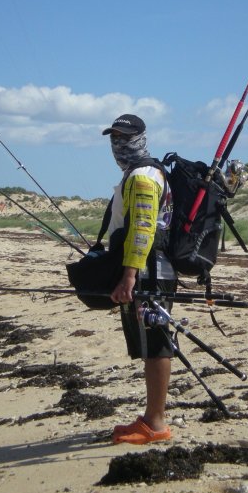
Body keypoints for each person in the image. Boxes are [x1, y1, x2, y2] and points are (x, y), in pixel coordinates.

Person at [102, 113, 177, 445]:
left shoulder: (144, 177)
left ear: (141, 139)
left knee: (156, 343)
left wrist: (129, 275)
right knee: (150, 344)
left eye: (125, 138)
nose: (118, 145)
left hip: (150, 272)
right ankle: (150, 418)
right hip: (147, 270)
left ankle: (156, 423)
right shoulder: (136, 174)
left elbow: (144, 229)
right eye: (113, 138)